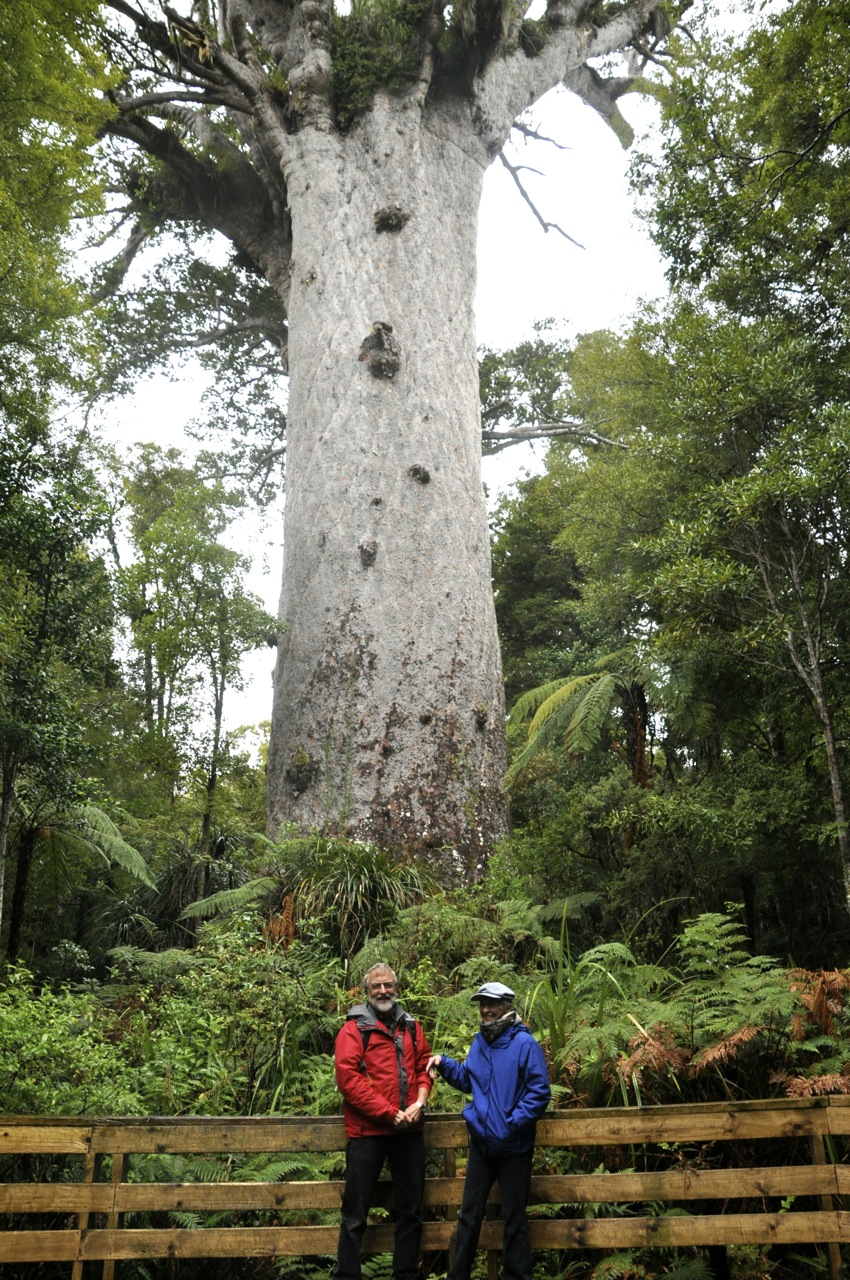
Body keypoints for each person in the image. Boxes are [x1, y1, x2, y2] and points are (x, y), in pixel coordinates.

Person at [426, 981, 550, 1280]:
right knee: (468, 1216)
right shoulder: (480, 1043)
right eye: (482, 1003)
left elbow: (539, 1093)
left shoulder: (525, 1045)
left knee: (514, 1219)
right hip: (481, 1147)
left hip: (513, 1148)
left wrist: (510, 1125)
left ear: (507, 1006)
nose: (485, 1009)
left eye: (491, 1003)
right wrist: (444, 1063)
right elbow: (470, 1080)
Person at [333, 962, 433, 1280]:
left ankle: (405, 1274)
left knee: (410, 1210)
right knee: (355, 1212)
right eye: (376, 986)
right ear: (367, 992)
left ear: (397, 988)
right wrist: (389, 1113)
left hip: (409, 1130)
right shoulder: (354, 1030)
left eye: (388, 985)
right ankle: (348, 1275)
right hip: (367, 1133)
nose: (383, 991)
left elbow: (424, 1068)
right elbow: (349, 1081)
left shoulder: (411, 1027)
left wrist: (420, 1102)